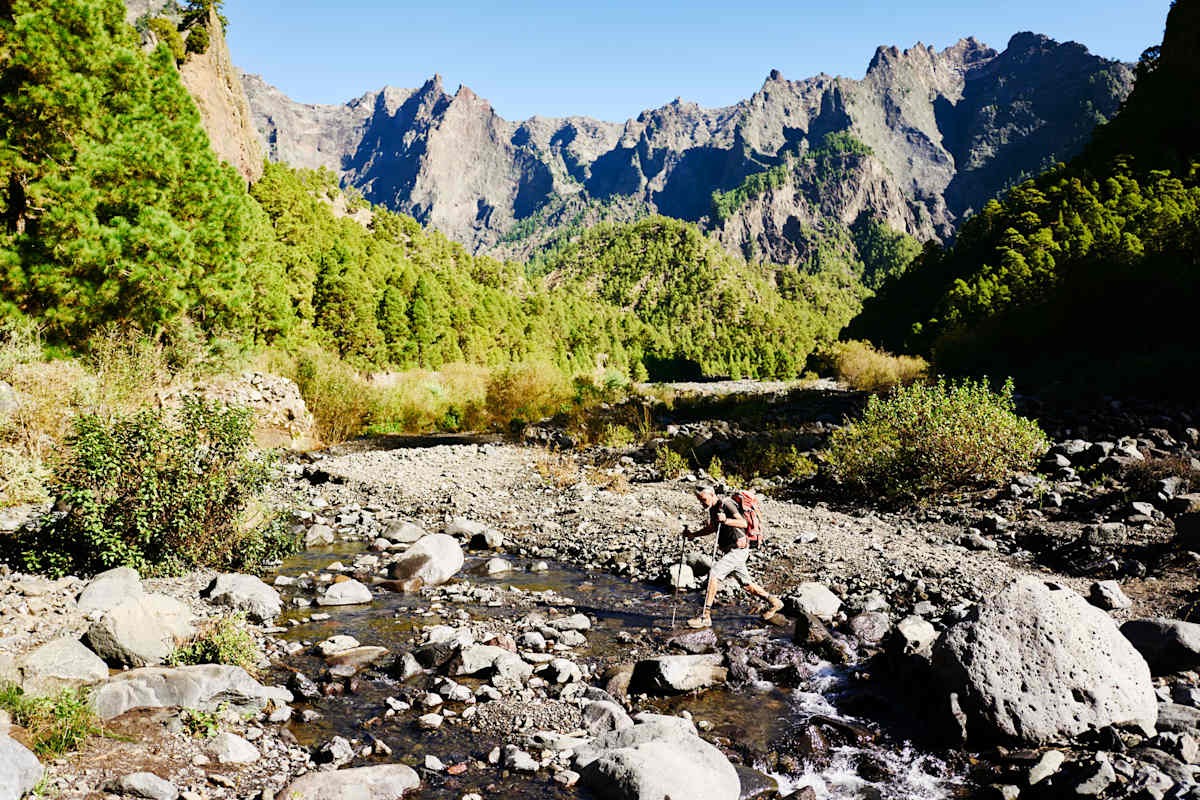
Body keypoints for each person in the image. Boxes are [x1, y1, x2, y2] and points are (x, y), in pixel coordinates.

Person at [681, 483, 783, 628]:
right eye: (699, 500)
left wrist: (726, 520)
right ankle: (774, 602)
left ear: (712, 495)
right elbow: (712, 527)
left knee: (713, 574)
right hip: (731, 552)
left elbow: (744, 523)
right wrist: (692, 535)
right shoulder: (713, 509)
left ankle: (705, 616)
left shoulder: (726, 504)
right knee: (747, 585)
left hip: (738, 549)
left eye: (703, 499)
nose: (701, 502)